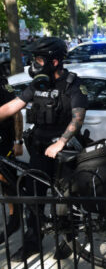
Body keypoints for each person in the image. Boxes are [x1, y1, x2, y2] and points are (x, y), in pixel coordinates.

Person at [0, 37, 88, 261]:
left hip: (63, 152)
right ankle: (33, 243)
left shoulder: (72, 84)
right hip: (39, 151)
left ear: (55, 61)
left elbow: (78, 118)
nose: (35, 64)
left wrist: (60, 142)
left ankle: (69, 242)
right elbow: (13, 106)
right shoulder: (38, 84)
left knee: (66, 201)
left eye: (39, 59)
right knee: (34, 201)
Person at [0, 75, 23, 245]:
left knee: (7, 182)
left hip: (4, 141)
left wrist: (17, 141)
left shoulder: (2, 85)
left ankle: (14, 218)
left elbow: (17, 112)